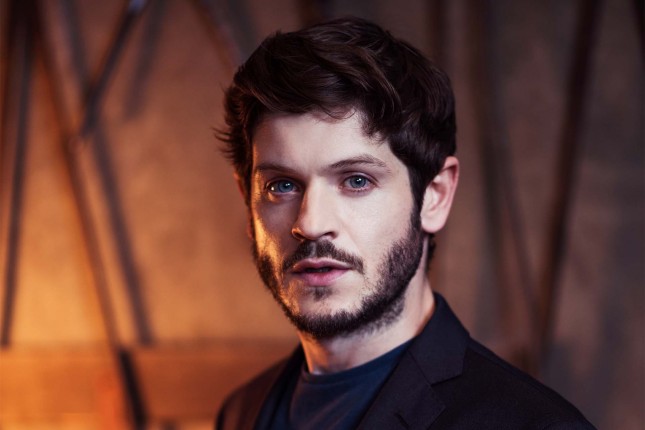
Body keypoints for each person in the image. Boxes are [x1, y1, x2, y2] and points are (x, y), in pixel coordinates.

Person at [216, 16, 595, 430]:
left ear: (435, 196)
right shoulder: (240, 413)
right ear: (247, 200)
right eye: (282, 186)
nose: (310, 223)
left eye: (356, 181)